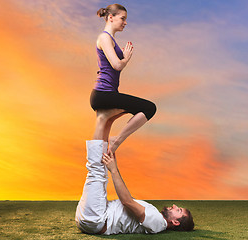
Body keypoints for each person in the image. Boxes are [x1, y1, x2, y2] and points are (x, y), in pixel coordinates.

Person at [75, 111, 194, 235]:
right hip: (95, 217)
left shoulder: (157, 222)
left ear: (175, 222)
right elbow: (127, 201)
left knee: (97, 170)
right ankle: (107, 120)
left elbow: (127, 201)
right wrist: (113, 165)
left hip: (96, 220)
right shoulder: (155, 216)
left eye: (178, 210)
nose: (174, 206)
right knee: (101, 166)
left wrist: (114, 169)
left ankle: (102, 118)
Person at [91, 4, 157, 153]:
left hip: (107, 93)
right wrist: (125, 58)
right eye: (123, 18)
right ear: (110, 18)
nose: (125, 22)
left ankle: (98, 170)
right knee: (149, 108)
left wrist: (124, 59)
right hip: (104, 94)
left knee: (104, 124)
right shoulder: (104, 37)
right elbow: (117, 65)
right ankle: (117, 140)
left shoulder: (110, 39)